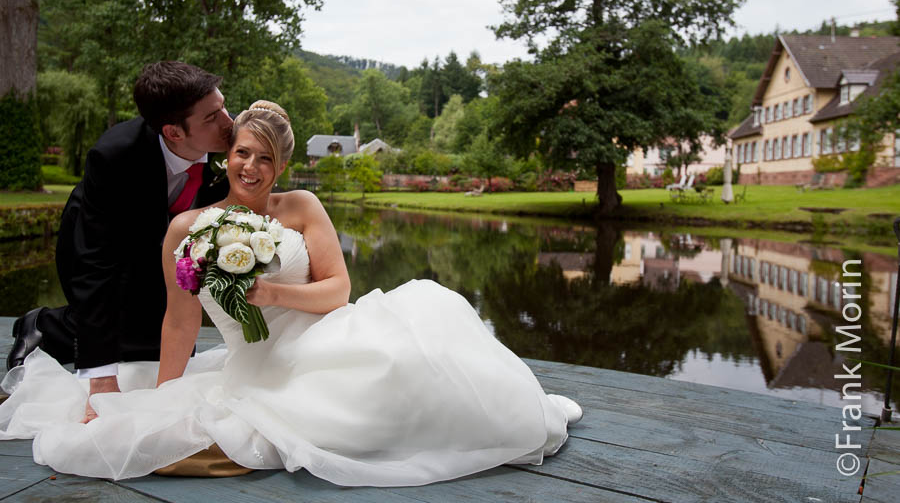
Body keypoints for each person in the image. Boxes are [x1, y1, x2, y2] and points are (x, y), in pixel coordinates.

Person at [0, 101, 582, 486]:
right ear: (225, 155)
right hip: (258, 365)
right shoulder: (187, 228)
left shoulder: (302, 207)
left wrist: (271, 291)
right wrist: (161, 396)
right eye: (240, 153)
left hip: (327, 333)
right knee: (367, 402)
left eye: (264, 159)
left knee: (412, 347)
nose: (249, 167)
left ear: (281, 166)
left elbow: (338, 289)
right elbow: (179, 325)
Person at [5, 61, 233, 423]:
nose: (228, 122)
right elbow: (95, 268)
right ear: (174, 132)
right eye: (212, 117)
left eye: (224, 106)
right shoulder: (115, 155)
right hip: (103, 241)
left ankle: (73, 328)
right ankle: (45, 326)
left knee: (155, 342)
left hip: (164, 245)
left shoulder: (230, 142)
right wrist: (101, 384)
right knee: (120, 330)